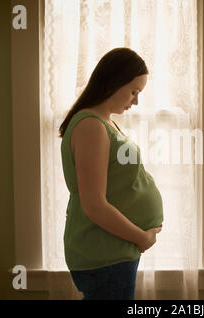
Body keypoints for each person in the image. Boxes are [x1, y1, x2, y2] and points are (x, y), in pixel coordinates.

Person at [59, 47, 164, 300]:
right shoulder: (91, 126)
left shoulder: (103, 122)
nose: (135, 101)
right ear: (114, 82)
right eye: (134, 91)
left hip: (113, 253)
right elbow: (94, 205)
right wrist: (143, 238)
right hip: (105, 255)